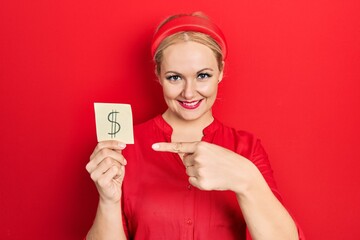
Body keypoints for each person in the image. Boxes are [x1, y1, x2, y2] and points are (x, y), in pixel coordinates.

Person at [85, 12, 304, 240]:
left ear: (220, 71)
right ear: (158, 74)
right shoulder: (124, 147)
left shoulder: (246, 149)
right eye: (174, 77)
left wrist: (246, 179)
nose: (189, 92)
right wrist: (108, 201)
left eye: (202, 75)